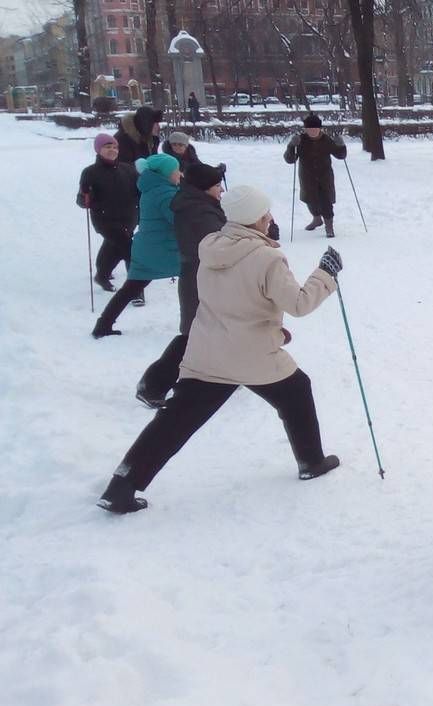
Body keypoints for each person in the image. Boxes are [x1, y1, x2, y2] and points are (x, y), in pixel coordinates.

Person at [96, 186, 344, 515]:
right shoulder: (267, 257)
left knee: (175, 420)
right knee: (296, 391)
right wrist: (325, 273)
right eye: (265, 213)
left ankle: (121, 486)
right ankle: (311, 462)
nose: (270, 217)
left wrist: (271, 328)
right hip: (252, 355)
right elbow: (298, 303)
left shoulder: (211, 247)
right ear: (255, 219)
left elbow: (231, 301)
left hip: (209, 352)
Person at [135, 162, 227, 408]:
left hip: (201, 275)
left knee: (210, 329)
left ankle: (224, 375)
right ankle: (152, 385)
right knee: (194, 334)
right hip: (202, 277)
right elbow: (220, 246)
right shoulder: (199, 211)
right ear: (204, 188)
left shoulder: (197, 204)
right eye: (217, 185)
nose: (221, 190)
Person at [91, 153, 183, 338]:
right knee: (198, 277)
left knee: (129, 289)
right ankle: (199, 324)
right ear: (165, 174)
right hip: (163, 251)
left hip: (147, 249)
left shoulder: (152, 188)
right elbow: (178, 219)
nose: (180, 174)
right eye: (176, 170)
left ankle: (103, 324)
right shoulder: (165, 193)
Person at [77, 133, 139, 292]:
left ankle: (102, 275)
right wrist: (85, 195)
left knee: (114, 248)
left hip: (129, 218)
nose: (112, 150)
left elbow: (139, 191)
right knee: (131, 252)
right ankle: (136, 290)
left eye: (115, 147)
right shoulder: (90, 172)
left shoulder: (128, 169)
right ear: (98, 150)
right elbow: (82, 201)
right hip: (106, 220)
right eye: (107, 147)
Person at [284, 113, 347, 238]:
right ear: (305, 129)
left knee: (326, 202)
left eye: (315, 129)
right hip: (307, 177)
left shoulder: (326, 140)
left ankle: (329, 226)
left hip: (325, 177)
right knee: (310, 200)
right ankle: (317, 219)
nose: (312, 131)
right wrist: (291, 146)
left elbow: (341, 156)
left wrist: (341, 145)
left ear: (320, 129)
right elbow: (290, 160)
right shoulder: (300, 141)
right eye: (309, 129)